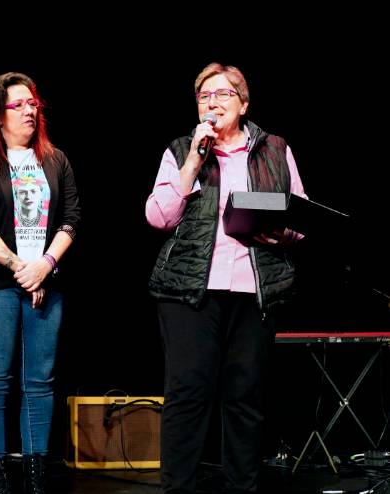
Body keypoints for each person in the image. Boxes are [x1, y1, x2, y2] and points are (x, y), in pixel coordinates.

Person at [145, 63, 307, 494]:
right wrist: (193, 161)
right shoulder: (182, 149)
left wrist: (283, 233)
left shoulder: (275, 149)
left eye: (222, 94)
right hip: (190, 291)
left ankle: (242, 487)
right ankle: (178, 488)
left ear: (244, 103)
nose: (212, 103)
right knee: (188, 393)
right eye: (204, 96)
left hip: (255, 290)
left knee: (244, 396)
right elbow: (158, 217)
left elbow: (300, 213)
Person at [0, 72, 80, 494]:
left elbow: (71, 219)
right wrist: (20, 268)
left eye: (33, 104)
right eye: (19, 104)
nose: (30, 110)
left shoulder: (55, 160)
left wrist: (44, 265)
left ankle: (35, 471)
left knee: (39, 380)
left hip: (46, 280)